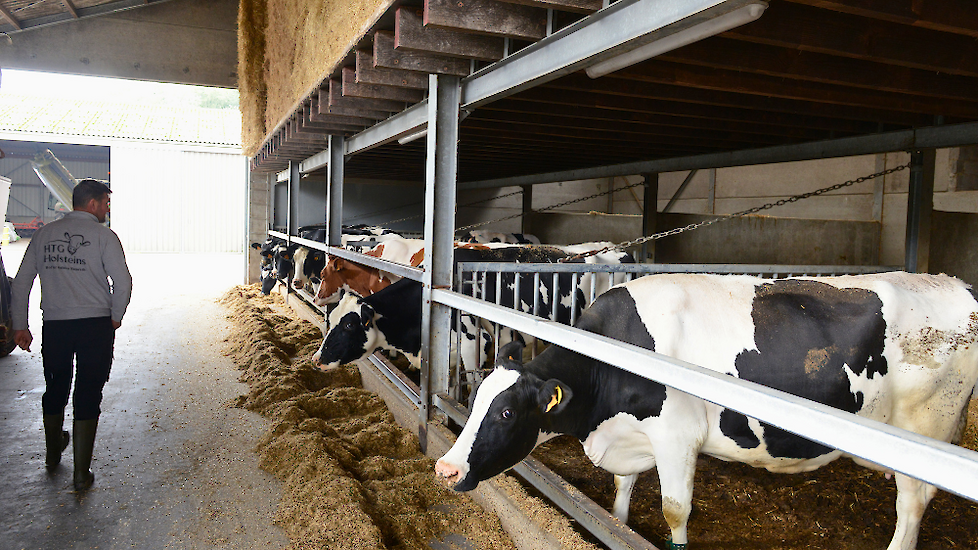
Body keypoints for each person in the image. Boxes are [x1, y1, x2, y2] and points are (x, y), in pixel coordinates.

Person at [11, 178, 133, 491]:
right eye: (106, 202)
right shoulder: (104, 236)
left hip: (56, 326)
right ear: (92, 204)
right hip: (94, 326)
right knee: (89, 391)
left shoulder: (44, 235)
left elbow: (22, 282)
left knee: (56, 386)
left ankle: (53, 454)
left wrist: (19, 326)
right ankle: (81, 473)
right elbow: (124, 282)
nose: (107, 208)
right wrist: (115, 318)